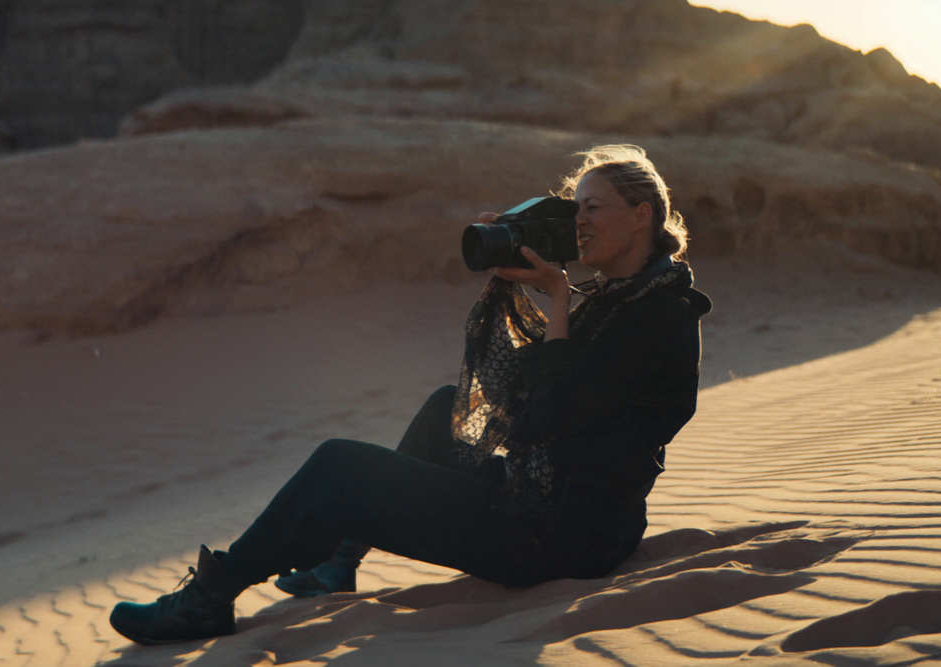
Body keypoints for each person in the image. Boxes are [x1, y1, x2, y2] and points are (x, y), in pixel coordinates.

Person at [109, 144, 712, 645]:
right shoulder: (620, 298)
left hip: (559, 536)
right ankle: (339, 562)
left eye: (594, 207)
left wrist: (556, 300)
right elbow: (541, 397)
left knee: (341, 464)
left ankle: (211, 597)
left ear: (641, 215)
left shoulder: (660, 315)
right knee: (440, 408)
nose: (579, 220)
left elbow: (551, 415)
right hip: (551, 504)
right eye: (575, 206)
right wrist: (531, 286)